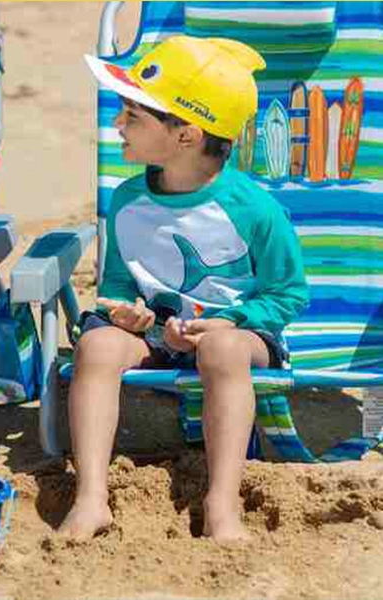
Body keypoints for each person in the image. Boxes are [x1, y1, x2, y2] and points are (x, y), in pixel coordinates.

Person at [62, 36, 309, 541]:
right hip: (156, 336)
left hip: (237, 340)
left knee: (219, 348)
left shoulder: (254, 210)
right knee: (97, 344)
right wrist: (124, 314)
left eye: (133, 115)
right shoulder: (128, 199)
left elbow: (288, 296)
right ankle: (91, 497)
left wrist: (232, 320)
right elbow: (116, 286)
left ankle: (222, 505)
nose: (116, 125)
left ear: (186, 136)